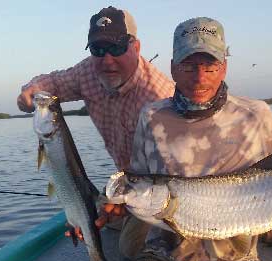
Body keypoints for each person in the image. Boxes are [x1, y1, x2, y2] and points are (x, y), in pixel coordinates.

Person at [72, 17, 272, 261]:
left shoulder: (256, 115)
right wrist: (114, 206)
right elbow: (138, 182)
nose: (200, 77)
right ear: (173, 68)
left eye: (210, 66)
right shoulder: (152, 117)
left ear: (224, 67)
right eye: (189, 67)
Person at [17, 6, 175, 170]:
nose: (107, 60)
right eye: (97, 49)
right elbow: (54, 82)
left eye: (116, 48)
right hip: (123, 177)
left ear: (136, 48)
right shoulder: (89, 71)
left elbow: (171, 170)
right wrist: (30, 90)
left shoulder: (160, 99)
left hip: (155, 182)